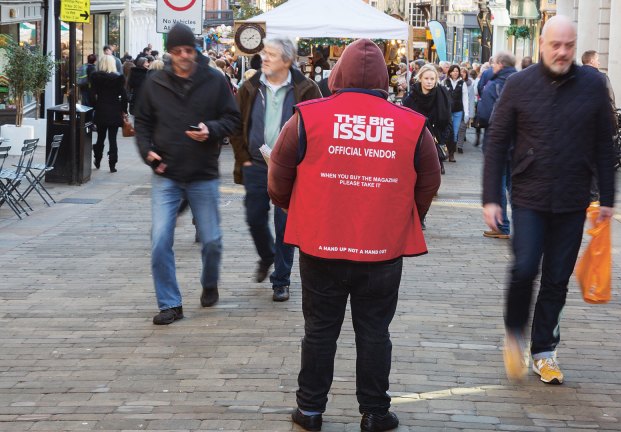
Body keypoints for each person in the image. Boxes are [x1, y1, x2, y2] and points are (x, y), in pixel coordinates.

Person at [268, 38, 441, 432]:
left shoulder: (308, 118)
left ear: (338, 75)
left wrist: (297, 208)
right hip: (381, 247)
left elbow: (278, 175)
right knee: (375, 331)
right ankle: (375, 411)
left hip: (321, 243)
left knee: (319, 329)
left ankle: (310, 409)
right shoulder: (411, 125)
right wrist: (407, 215)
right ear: (384, 78)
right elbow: (429, 181)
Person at [482, 15, 615, 385]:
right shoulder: (519, 85)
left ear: (575, 47)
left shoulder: (592, 84)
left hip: (573, 197)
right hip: (528, 195)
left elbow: (605, 141)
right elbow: (496, 141)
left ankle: (544, 351)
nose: (562, 52)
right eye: (555, 44)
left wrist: (608, 194)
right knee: (525, 268)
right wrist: (491, 197)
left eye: (569, 46)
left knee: (557, 278)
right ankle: (513, 333)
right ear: (542, 44)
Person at [134, 23, 240, 325]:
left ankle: (209, 282)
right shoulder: (155, 83)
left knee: (211, 241)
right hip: (166, 173)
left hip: (202, 173)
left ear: (195, 51)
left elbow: (232, 118)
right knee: (159, 239)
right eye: (178, 51)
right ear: (170, 52)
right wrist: (148, 151)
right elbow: (141, 123)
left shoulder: (214, 80)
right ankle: (170, 303)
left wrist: (211, 130)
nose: (183, 56)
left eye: (188, 51)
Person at [230, 38, 322, 303]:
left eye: (270, 54)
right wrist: (243, 156)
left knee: (285, 225)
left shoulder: (306, 88)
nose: (264, 58)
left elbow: (317, 128)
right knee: (254, 216)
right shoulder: (249, 86)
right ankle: (267, 255)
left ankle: (281, 280)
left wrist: (306, 164)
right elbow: (236, 124)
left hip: (290, 168)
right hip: (256, 165)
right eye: (264, 53)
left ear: (287, 60)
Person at [476, 51, 517, 240]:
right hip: (517, 144)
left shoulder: (494, 85)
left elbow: (483, 115)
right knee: (513, 185)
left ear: (500, 64)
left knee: (499, 183)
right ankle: (523, 225)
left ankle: (502, 226)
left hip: (498, 142)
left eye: (493, 64)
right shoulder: (521, 83)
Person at [403, 64, 453, 176]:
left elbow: (447, 119)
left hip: (436, 139)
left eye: (432, 79)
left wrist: (442, 138)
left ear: (436, 80)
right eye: (426, 78)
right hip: (416, 141)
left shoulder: (442, 96)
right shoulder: (410, 98)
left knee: (433, 173)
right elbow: (405, 120)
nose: (429, 81)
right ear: (420, 78)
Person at [89, 55, 128, 172]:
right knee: (113, 138)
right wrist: (124, 110)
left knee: (100, 137)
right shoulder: (118, 78)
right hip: (114, 110)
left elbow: (91, 96)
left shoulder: (96, 78)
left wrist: (96, 106)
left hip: (101, 109)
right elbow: (124, 97)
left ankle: (98, 159)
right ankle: (112, 164)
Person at [582, 50, 617, 128]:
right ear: (592, 61)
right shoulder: (602, 78)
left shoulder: (575, 77)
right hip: (598, 121)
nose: (599, 63)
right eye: (598, 60)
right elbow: (610, 99)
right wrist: (614, 118)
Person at [443, 65, 468, 163]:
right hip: (447, 111)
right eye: (453, 71)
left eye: (457, 71)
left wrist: (466, 114)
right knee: (447, 131)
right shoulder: (445, 82)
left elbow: (465, 99)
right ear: (450, 72)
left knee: (455, 132)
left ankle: (451, 154)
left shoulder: (462, 83)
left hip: (458, 111)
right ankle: (445, 151)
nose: (455, 73)